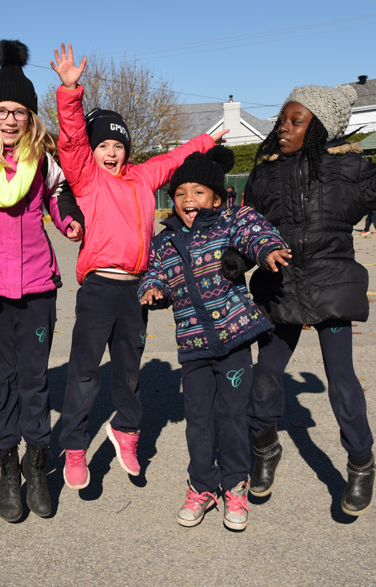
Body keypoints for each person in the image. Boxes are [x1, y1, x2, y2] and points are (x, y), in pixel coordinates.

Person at [51, 43, 226, 489]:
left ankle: (126, 432)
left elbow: (174, 160)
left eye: (117, 145)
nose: (111, 152)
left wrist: (208, 140)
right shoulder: (86, 177)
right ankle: (74, 448)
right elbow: (71, 140)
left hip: (136, 291)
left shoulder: (141, 177)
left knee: (130, 370)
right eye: (103, 145)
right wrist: (70, 93)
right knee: (85, 371)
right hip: (99, 289)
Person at [243, 85, 376, 516]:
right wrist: (232, 262)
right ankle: (265, 450)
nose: (283, 128)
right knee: (265, 379)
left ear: (320, 127)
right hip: (280, 288)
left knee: (341, 380)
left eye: (296, 121)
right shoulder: (264, 173)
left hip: (331, 286)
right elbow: (246, 227)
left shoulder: (348, 170)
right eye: (282, 120)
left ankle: (361, 462)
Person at [0, 40, 81, 523]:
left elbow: (60, 197)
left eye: (18, 111)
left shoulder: (43, 157)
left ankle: (37, 462)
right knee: (2, 379)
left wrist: (70, 223)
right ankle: (8, 465)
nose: (8, 120)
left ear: (31, 116)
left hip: (39, 285)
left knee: (35, 377)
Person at [139, 146, 291, 531]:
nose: (188, 199)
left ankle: (235, 484)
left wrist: (268, 248)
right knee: (199, 419)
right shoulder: (164, 242)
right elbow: (154, 272)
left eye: (198, 192)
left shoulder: (229, 223)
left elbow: (255, 230)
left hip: (234, 339)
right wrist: (153, 288)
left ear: (217, 198)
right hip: (193, 346)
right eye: (180, 193)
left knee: (232, 416)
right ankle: (201, 485)